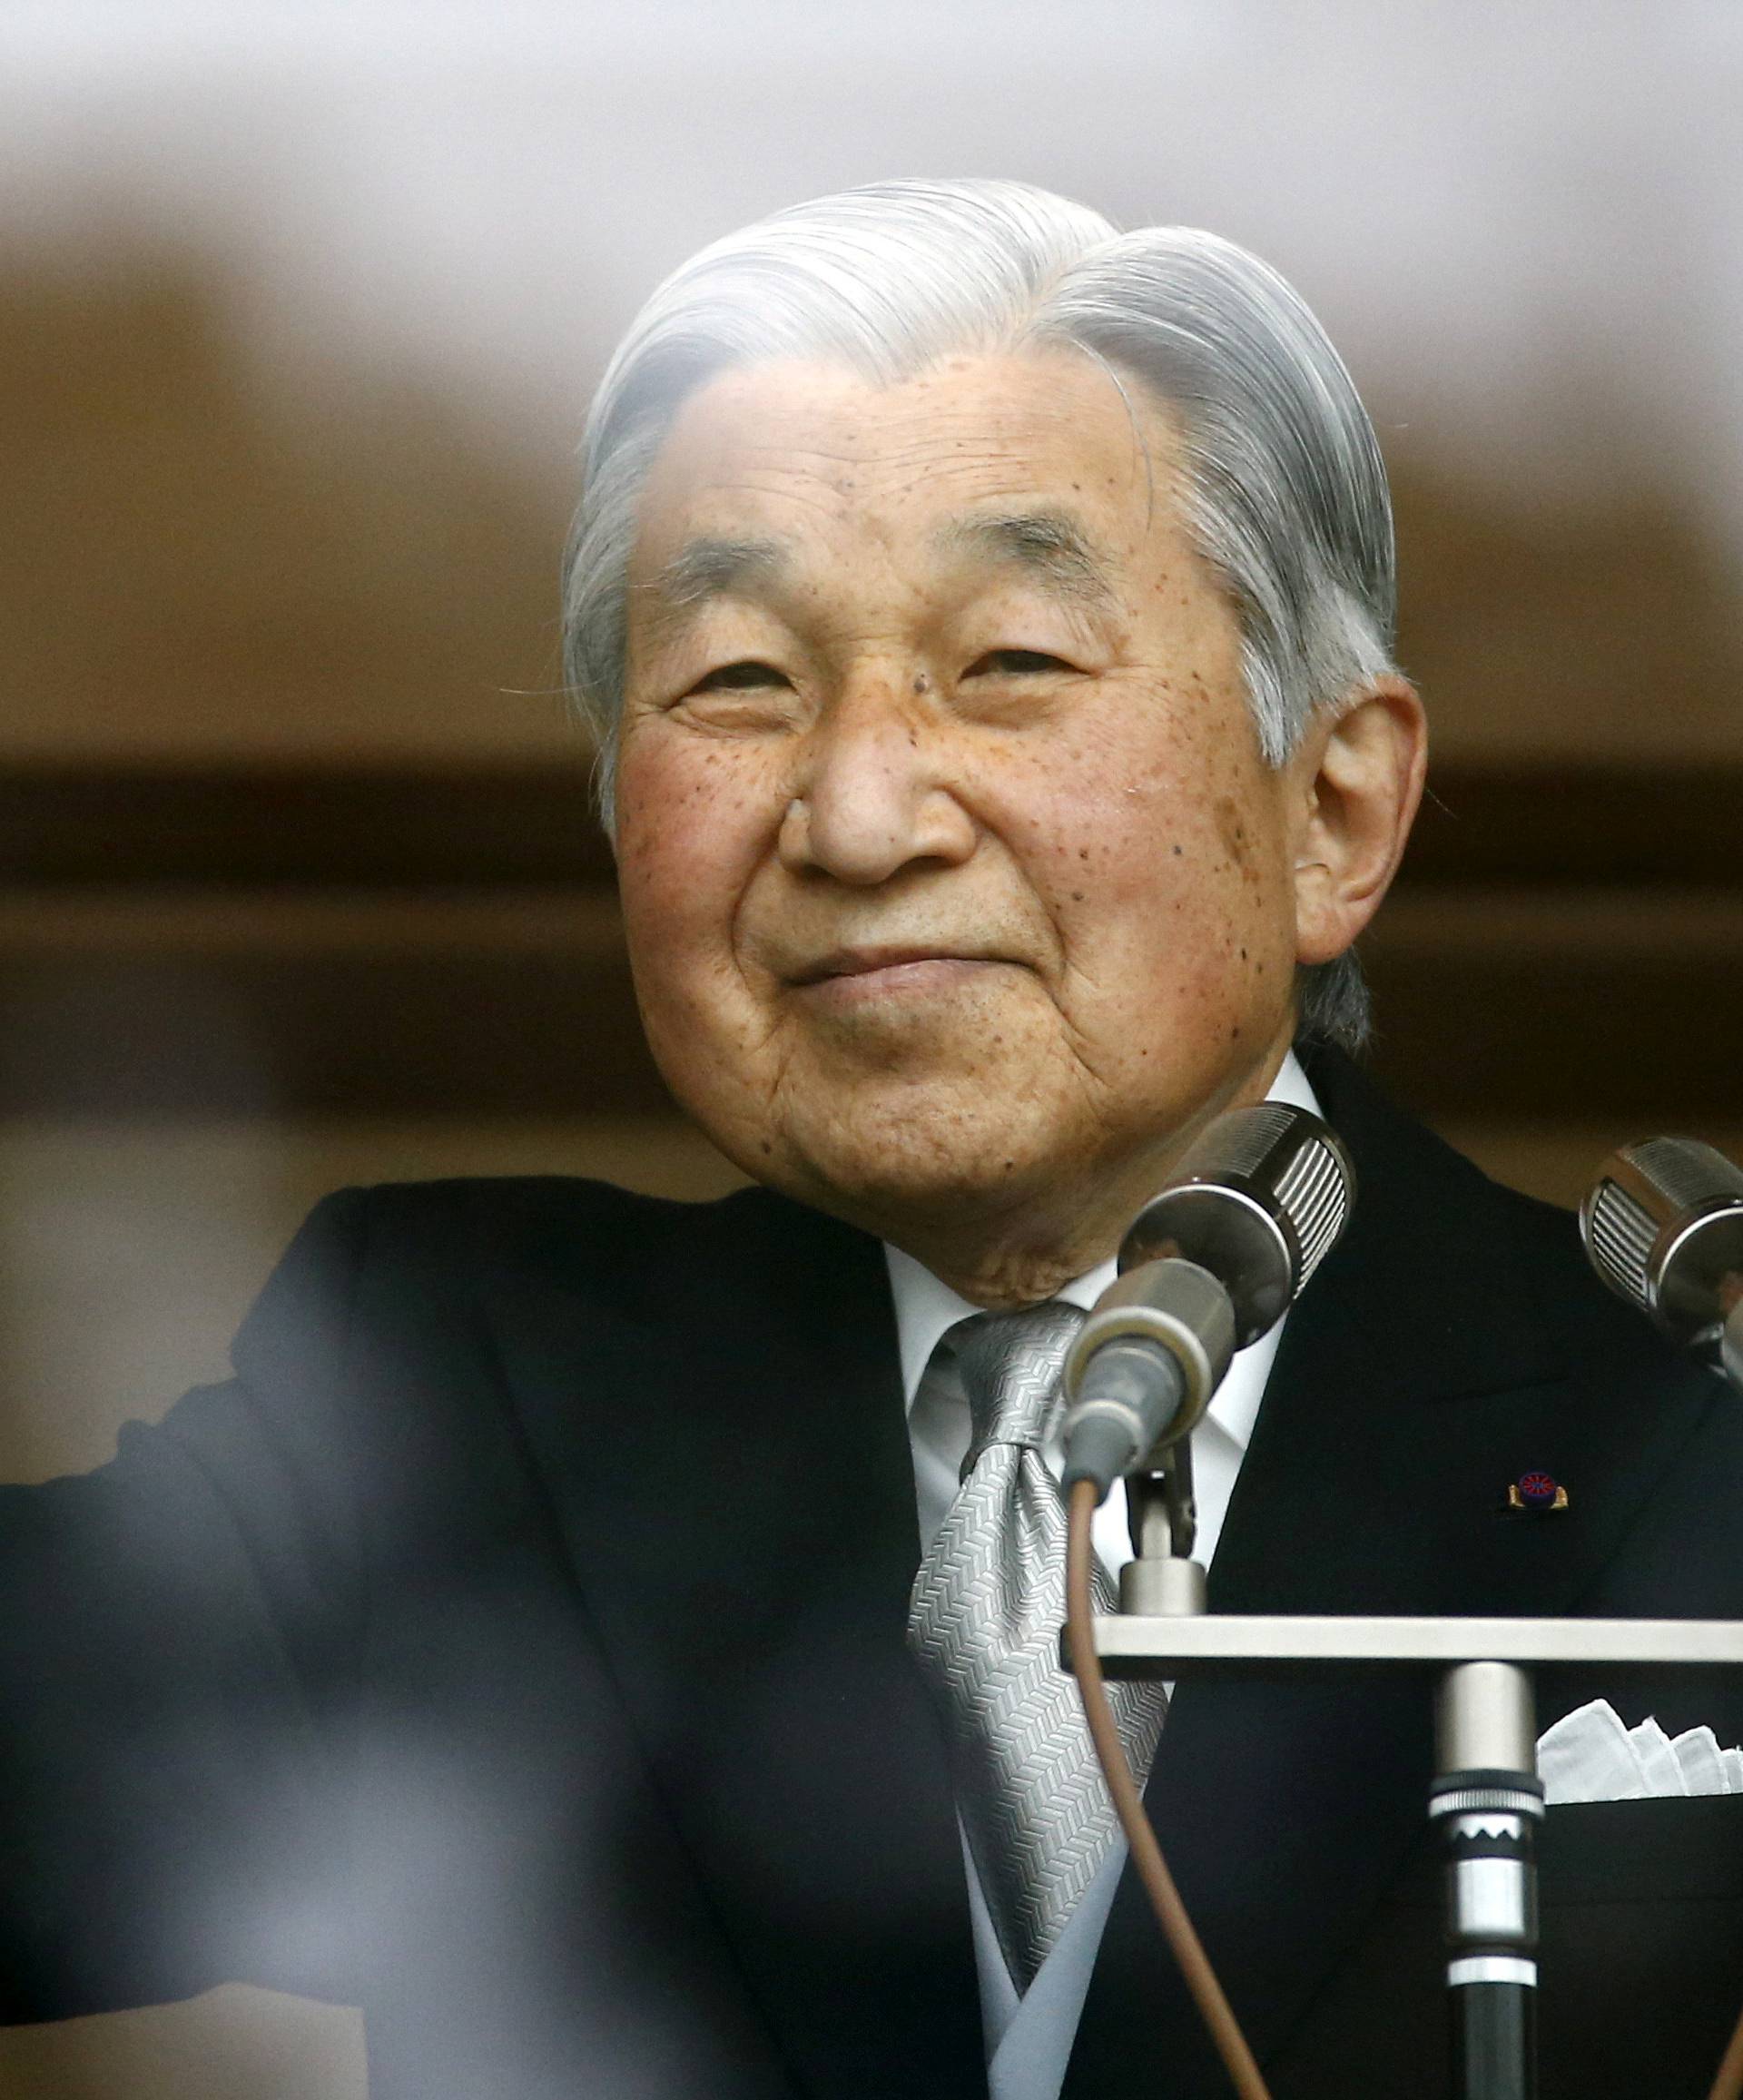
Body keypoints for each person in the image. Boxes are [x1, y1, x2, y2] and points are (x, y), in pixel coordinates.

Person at [5, 178, 1742, 2100]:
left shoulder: (1671, 1411)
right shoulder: (461, 1389)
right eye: (739, 679)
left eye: (1006, 661)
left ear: (1333, 809)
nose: (854, 811)